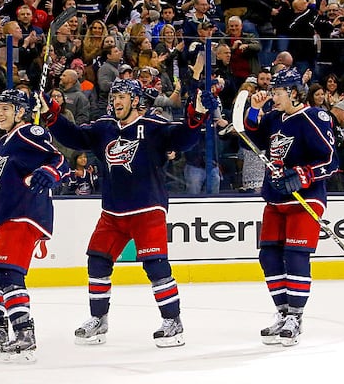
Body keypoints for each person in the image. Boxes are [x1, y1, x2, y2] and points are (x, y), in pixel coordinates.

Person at [41, 78, 215, 347]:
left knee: (156, 266)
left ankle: (172, 320)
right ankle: (99, 320)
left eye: (122, 96)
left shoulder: (153, 127)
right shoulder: (103, 128)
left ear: (135, 100)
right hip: (113, 211)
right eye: (114, 96)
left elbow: (182, 139)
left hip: (147, 207)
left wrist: (196, 115)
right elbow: (75, 137)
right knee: (97, 261)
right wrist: (51, 114)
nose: (116, 101)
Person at [0, 89, 69, 363]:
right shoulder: (4, 142)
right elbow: (0, 185)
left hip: (25, 214)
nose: (0, 112)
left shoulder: (29, 132)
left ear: (21, 112)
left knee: (7, 271)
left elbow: (59, 160)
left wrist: (50, 173)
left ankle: (24, 334)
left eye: (7, 108)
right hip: (5, 216)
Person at [241, 68, 338, 346]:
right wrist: (253, 111)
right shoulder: (273, 117)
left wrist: (303, 174)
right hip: (276, 197)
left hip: (305, 199)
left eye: (277, 92)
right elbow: (253, 139)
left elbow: (331, 160)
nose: (272, 96)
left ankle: (296, 316)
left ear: (294, 92)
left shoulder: (313, 117)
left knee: (296, 255)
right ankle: (283, 313)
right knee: (269, 256)